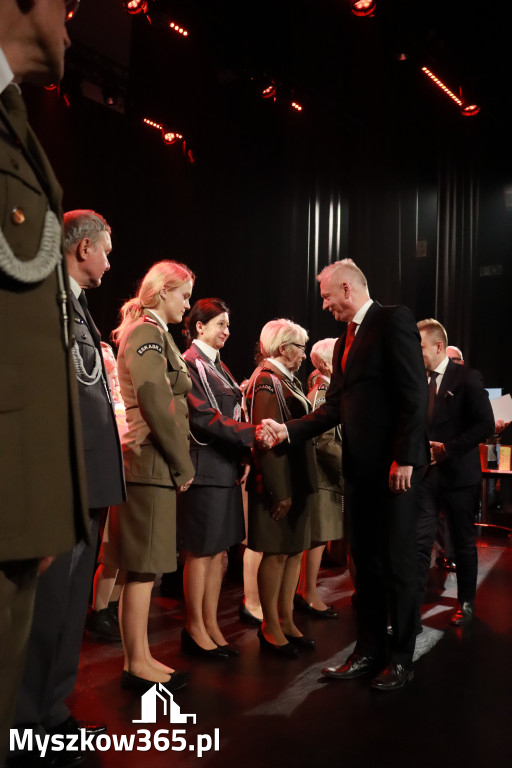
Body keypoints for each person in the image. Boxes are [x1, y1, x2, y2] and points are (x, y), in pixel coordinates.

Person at [263, 259, 428, 690]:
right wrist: (287, 430)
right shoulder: (343, 342)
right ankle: (368, 651)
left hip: (395, 472)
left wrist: (405, 458)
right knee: (366, 567)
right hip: (359, 472)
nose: (324, 305)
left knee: (398, 565)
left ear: (347, 289)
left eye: (326, 296)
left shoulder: (394, 320)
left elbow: (414, 394)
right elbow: (334, 407)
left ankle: (402, 657)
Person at [0, 2, 87, 759]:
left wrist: (44, 501)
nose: (72, 23)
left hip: (17, 497)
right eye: (71, 4)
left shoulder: (12, 121)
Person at [13, 210, 126, 765]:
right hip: (64, 482)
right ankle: (27, 723)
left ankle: (51, 712)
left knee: (67, 606)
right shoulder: (44, 301)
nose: (109, 260)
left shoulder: (77, 306)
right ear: (81, 249)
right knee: (47, 609)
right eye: (105, 250)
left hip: (89, 480)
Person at [99, 260, 195, 693]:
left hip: (152, 462)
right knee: (141, 569)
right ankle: (135, 663)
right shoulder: (147, 334)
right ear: (161, 292)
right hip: (149, 461)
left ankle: (140, 657)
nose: (188, 304)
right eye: (184, 295)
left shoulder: (156, 334)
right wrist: (182, 461)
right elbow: (155, 402)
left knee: (145, 570)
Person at [178, 299, 270, 658]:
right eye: (220, 324)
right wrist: (253, 434)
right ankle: (194, 628)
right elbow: (202, 417)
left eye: (228, 326)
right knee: (201, 554)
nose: (227, 332)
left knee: (219, 556)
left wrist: (244, 454)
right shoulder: (190, 364)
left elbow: (230, 410)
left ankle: (211, 625)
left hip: (225, 468)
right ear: (199, 327)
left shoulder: (219, 367)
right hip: (204, 469)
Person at [246, 319, 317, 658]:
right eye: (301, 347)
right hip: (280, 486)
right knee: (275, 555)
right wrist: (279, 491)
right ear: (284, 347)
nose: (304, 355)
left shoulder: (286, 379)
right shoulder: (266, 382)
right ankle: (270, 625)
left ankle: (286, 620)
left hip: (297, 483)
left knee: (292, 554)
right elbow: (266, 441)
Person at [416, 319, 494, 627]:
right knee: (419, 542)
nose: (415, 351)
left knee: (462, 542)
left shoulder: (467, 378)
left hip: (459, 477)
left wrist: (447, 449)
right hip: (426, 477)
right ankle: (412, 607)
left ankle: (466, 602)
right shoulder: (419, 380)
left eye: (419, 346)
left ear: (437, 346)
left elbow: (485, 425)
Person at [294, 338, 343, 618]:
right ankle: (308, 594)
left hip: (326, 476)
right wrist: (349, 466)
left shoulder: (327, 390)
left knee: (320, 538)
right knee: (317, 538)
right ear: (325, 363)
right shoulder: (322, 393)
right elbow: (325, 441)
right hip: (323, 476)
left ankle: (306, 591)